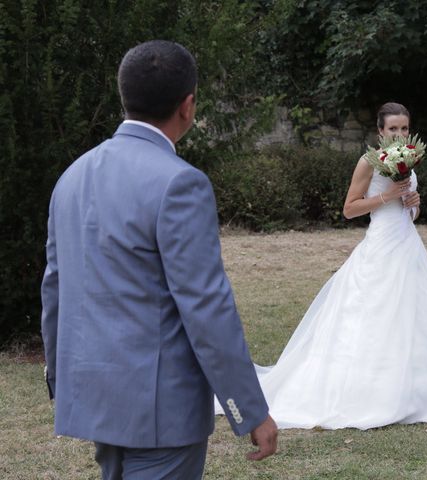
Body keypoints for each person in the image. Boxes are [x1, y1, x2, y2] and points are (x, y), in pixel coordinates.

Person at [40, 40, 277, 479]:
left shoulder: (70, 178)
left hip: (95, 395)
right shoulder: (181, 183)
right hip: (160, 410)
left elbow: (55, 287)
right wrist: (249, 409)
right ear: (187, 106)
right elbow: (206, 306)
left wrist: (62, 378)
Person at [221, 102, 427, 429]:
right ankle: (368, 390)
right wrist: (388, 196)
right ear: (380, 131)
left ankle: (422, 388)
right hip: (379, 246)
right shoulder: (369, 162)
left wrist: (413, 204)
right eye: (393, 129)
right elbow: (350, 209)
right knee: (372, 312)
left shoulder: (408, 160)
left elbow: (408, 211)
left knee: (418, 311)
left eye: (404, 128)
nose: (400, 134)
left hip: (407, 244)